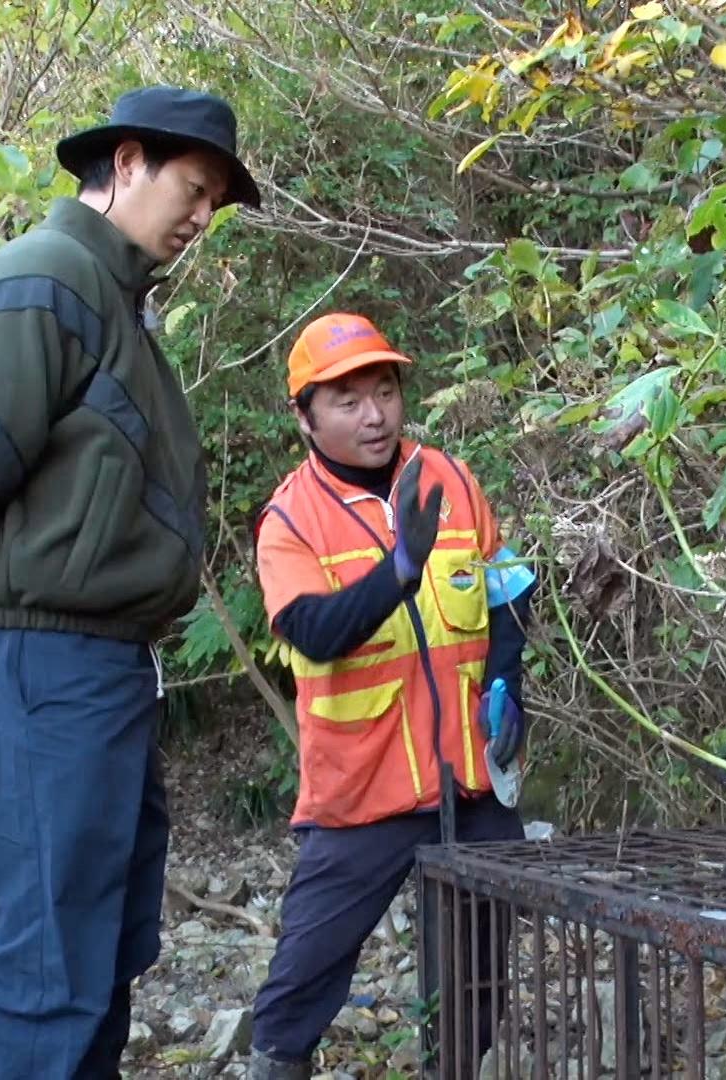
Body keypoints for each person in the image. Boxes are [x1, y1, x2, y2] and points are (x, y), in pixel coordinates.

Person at [0, 85, 260, 1079]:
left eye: (216, 202)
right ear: (127, 161)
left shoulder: (115, 302)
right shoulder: (45, 277)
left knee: (102, 948)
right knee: (49, 961)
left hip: (96, 666)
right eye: (193, 187)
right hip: (40, 660)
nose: (200, 216)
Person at [244, 313, 538, 1078]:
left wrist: (508, 680)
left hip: (471, 778)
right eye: (347, 401)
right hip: (361, 787)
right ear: (304, 417)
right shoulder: (289, 520)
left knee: (478, 976)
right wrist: (396, 569)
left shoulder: (451, 478)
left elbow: (506, 588)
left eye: (384, 391)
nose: (374, 415)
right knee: (305, 972)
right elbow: (312, 630)